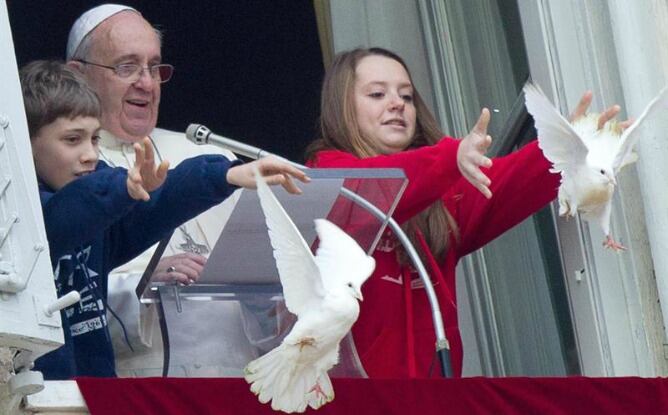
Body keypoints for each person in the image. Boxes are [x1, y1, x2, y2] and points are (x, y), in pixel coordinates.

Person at [305, 47, 629, 378]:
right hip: (350, 401)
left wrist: (574, 151)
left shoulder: (442, 196)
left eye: (407, 96)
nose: (397, 103)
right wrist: (449, 157)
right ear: (342, 108)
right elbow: (373, 187)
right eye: (377, 93)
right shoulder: (324, 176)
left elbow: (508, 180)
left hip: (433, 401)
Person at [21, 60, 308, 379]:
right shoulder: (21, 217)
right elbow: (62, 218)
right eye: (72, 140)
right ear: (26, 143)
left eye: (95, 139)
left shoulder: (102, 205)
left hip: (91, 395)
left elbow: (160, 200)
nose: (90, 154)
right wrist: (123, 188)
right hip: (29, 396)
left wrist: (226, 175)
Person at [64, 4, 251, 376]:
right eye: (127, 66)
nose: (147, 83)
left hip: (241, 380)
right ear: (78, 76)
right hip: (137, 386)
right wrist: (142, 285)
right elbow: (61, 290)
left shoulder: (210, 153)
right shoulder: (63, 165)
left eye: (154, 67)